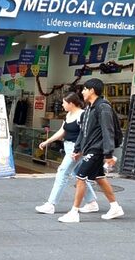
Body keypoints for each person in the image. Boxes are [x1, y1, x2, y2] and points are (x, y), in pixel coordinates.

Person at [58, 78, 125, 223]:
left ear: (92, 90)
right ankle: (115, 207)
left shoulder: (103, 107)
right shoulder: (89, 108)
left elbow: (108, 131)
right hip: (90, 148)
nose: (82, 92)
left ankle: (74, 212)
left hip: (97, 149)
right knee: (99, 178)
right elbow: (84, 131)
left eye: (84, 89)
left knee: (80, 177)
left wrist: (108, 153)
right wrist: (78, 149)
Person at [35, 92, 99, 215]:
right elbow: (62, 131)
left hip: (76, 150)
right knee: (78, 175)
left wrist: (79, 151)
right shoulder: (69, 115)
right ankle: (91, 202)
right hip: (69, 148)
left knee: (62, 172)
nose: (62, 105)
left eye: (64, 103)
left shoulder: (83, 115)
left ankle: (51, 204)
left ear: (71, 103)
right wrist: (47, 141)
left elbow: (86, 135)